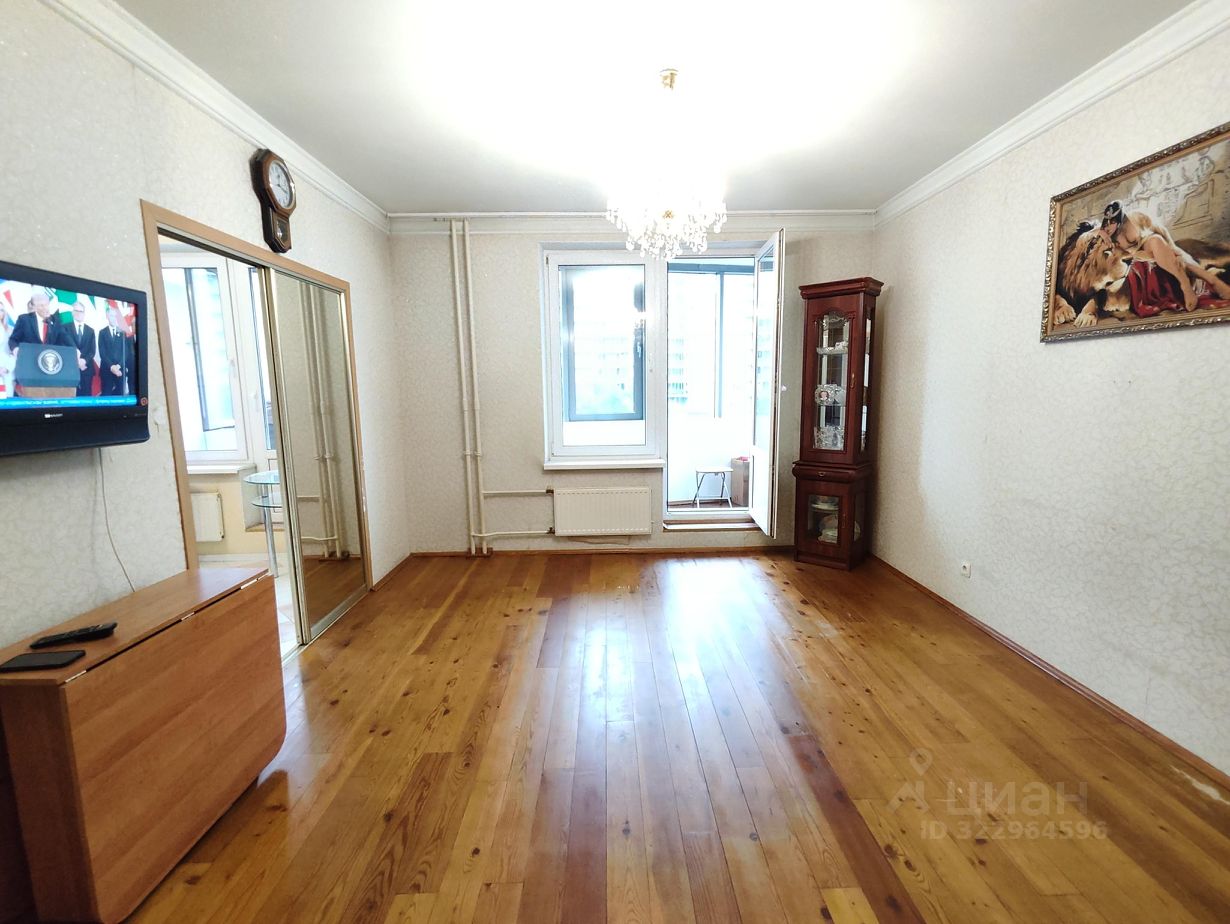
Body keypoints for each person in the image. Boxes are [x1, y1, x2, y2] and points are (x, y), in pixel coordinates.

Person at [1099, 201, 1230, 311]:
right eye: (1107, 223)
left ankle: (1190, 284)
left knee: (1157, 241)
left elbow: (1165, 236)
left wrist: (1177, 254)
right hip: (1139, 257)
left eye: (1112, 222)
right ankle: (1210, 280)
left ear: (1121, 218)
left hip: (1157, 248)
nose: (1109, 226)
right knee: (1160, 249)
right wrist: (1103, 236)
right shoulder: (1108, 235)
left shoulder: (1138, 217)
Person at [7, 289, 74, 355]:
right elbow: (13, 340)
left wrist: (75, 350)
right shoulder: (24, 320)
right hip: (29, 358)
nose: (46, 308)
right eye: (41, 305)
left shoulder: (55, 321)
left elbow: (66, 338)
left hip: (48, 359)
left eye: (47, 304)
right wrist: (15, 349)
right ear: (34, 307)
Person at [97, 305, 133, 397]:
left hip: (120, 370)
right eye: (111, 316)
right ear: (107, 316)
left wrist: (118, 366)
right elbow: (102, 352)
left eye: (115, 316)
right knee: (106, 396)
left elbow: (126, 352)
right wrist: (111, 366)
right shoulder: (102, 332)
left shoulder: (122, 332)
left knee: (120, 396)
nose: (113, 318)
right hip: (106, 369)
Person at [67, 303, 97, 396]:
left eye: (81, 311)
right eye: (76, 310)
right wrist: (77, 361)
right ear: (72, 312)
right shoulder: (65, 328)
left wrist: (84, 361)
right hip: (70, 369)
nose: (79, 313)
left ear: (84, 313)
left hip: (86, 368)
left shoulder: (90, 330)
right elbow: (64, 348)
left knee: (86, 396)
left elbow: (92, 351)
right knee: (71, 397)